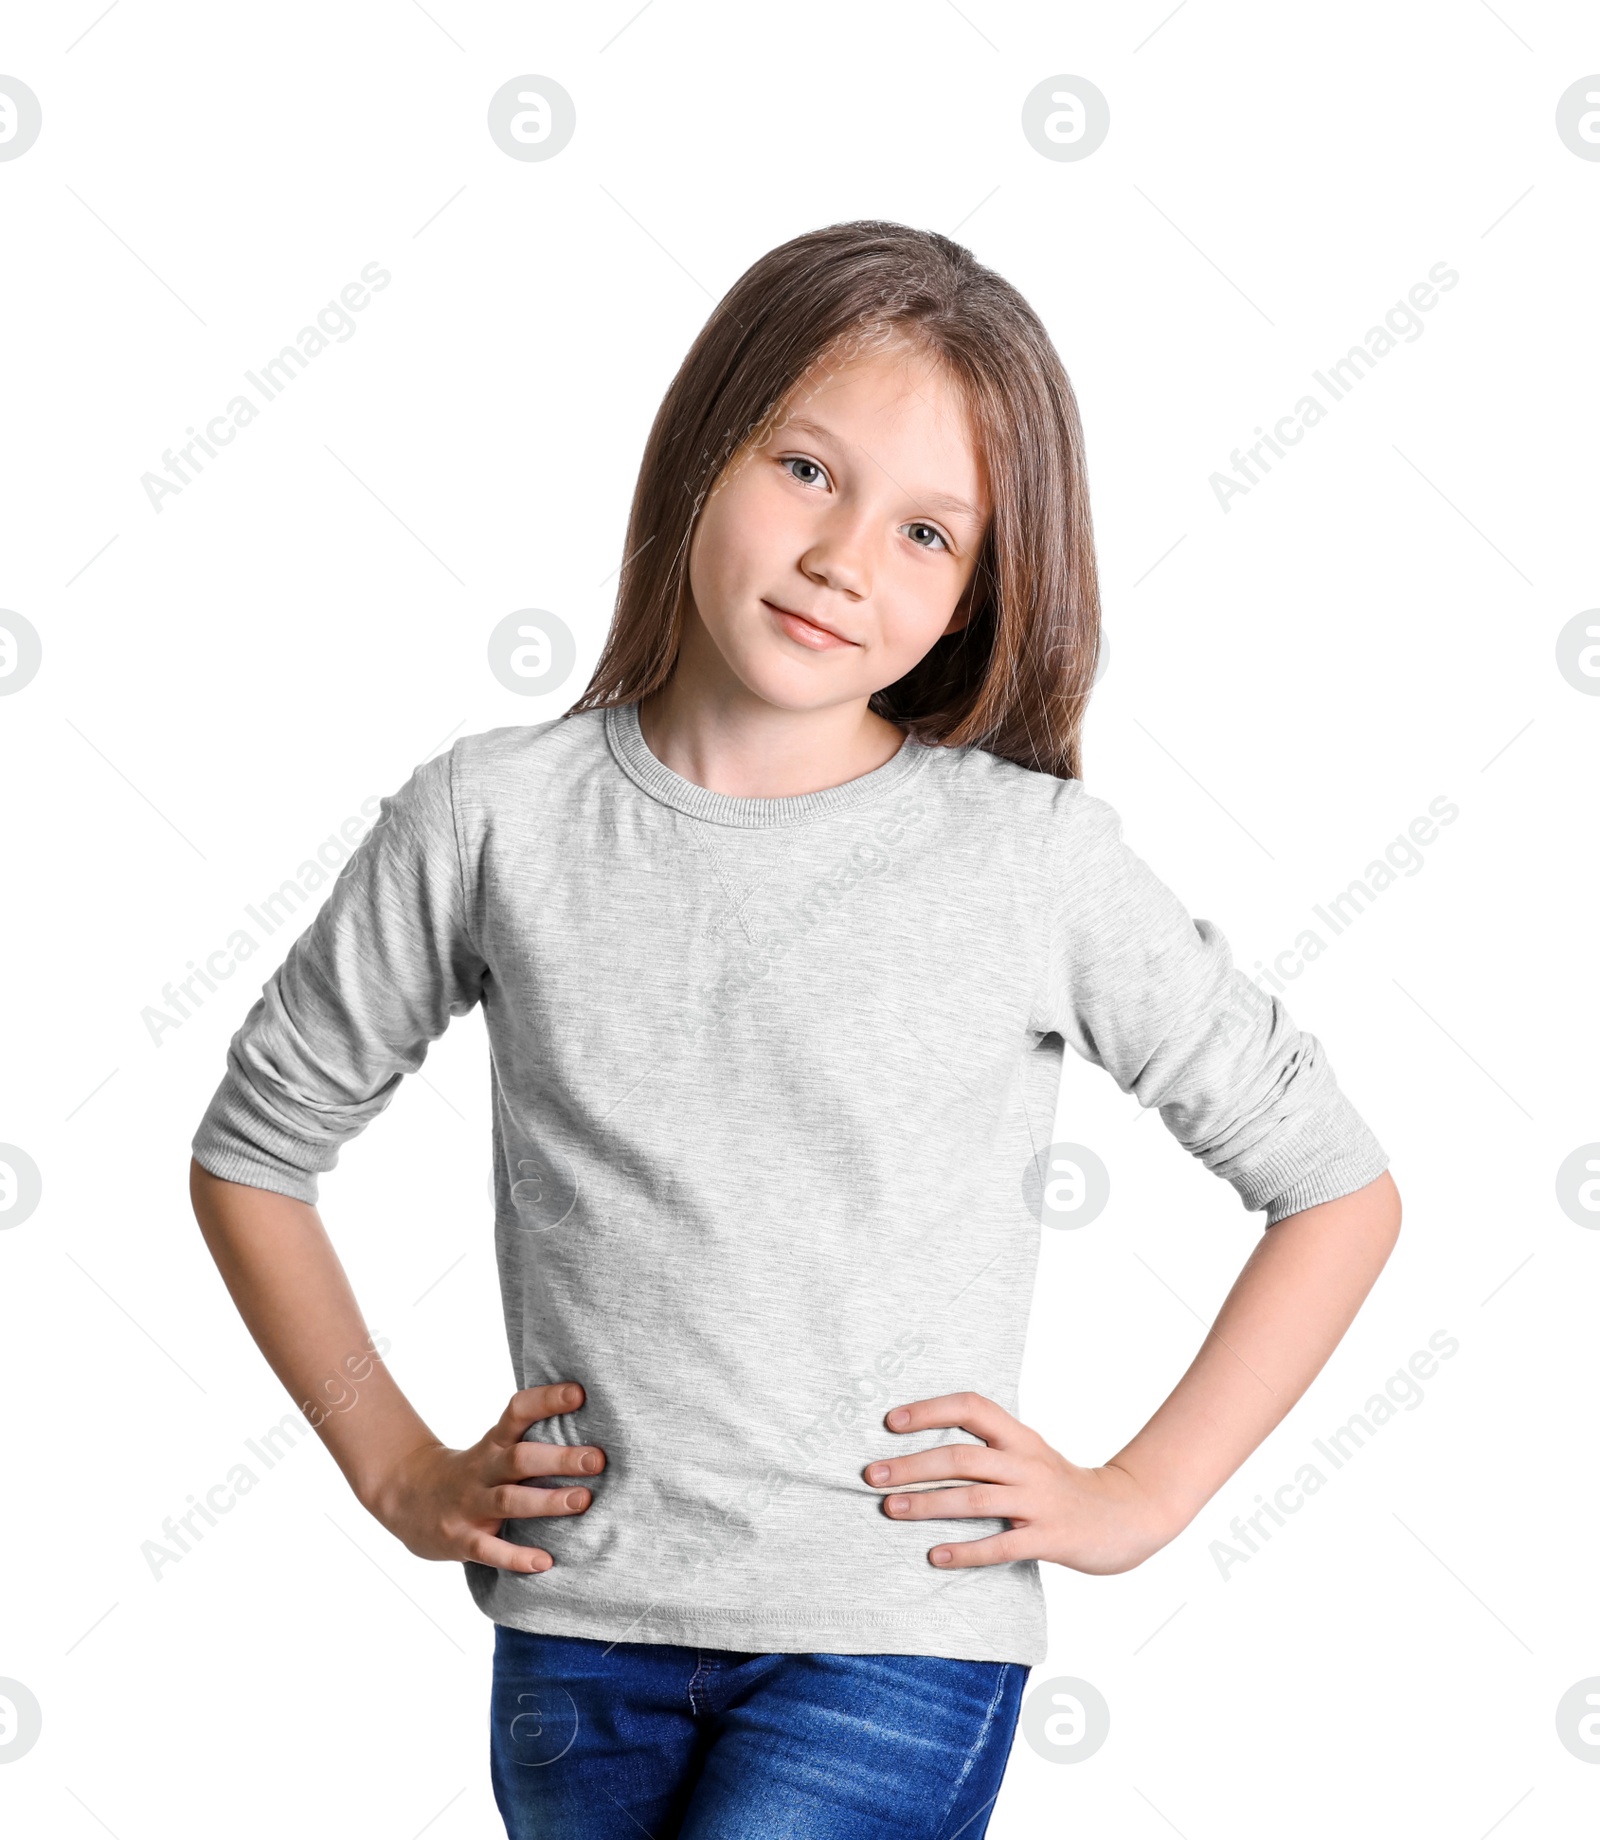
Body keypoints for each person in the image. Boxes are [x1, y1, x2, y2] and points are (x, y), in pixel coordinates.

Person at [188, 219, 1401, 1838]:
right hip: (576, 1637)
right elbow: (254, 1153)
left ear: (979, 592)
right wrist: (397, 1469)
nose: (845, 560)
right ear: (706, 446)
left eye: (928, 533)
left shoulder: (1025, 858)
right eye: (809, 471)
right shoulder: (492, 820)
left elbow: (1336, 1188)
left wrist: (1141, 1496)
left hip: (895, 1637)